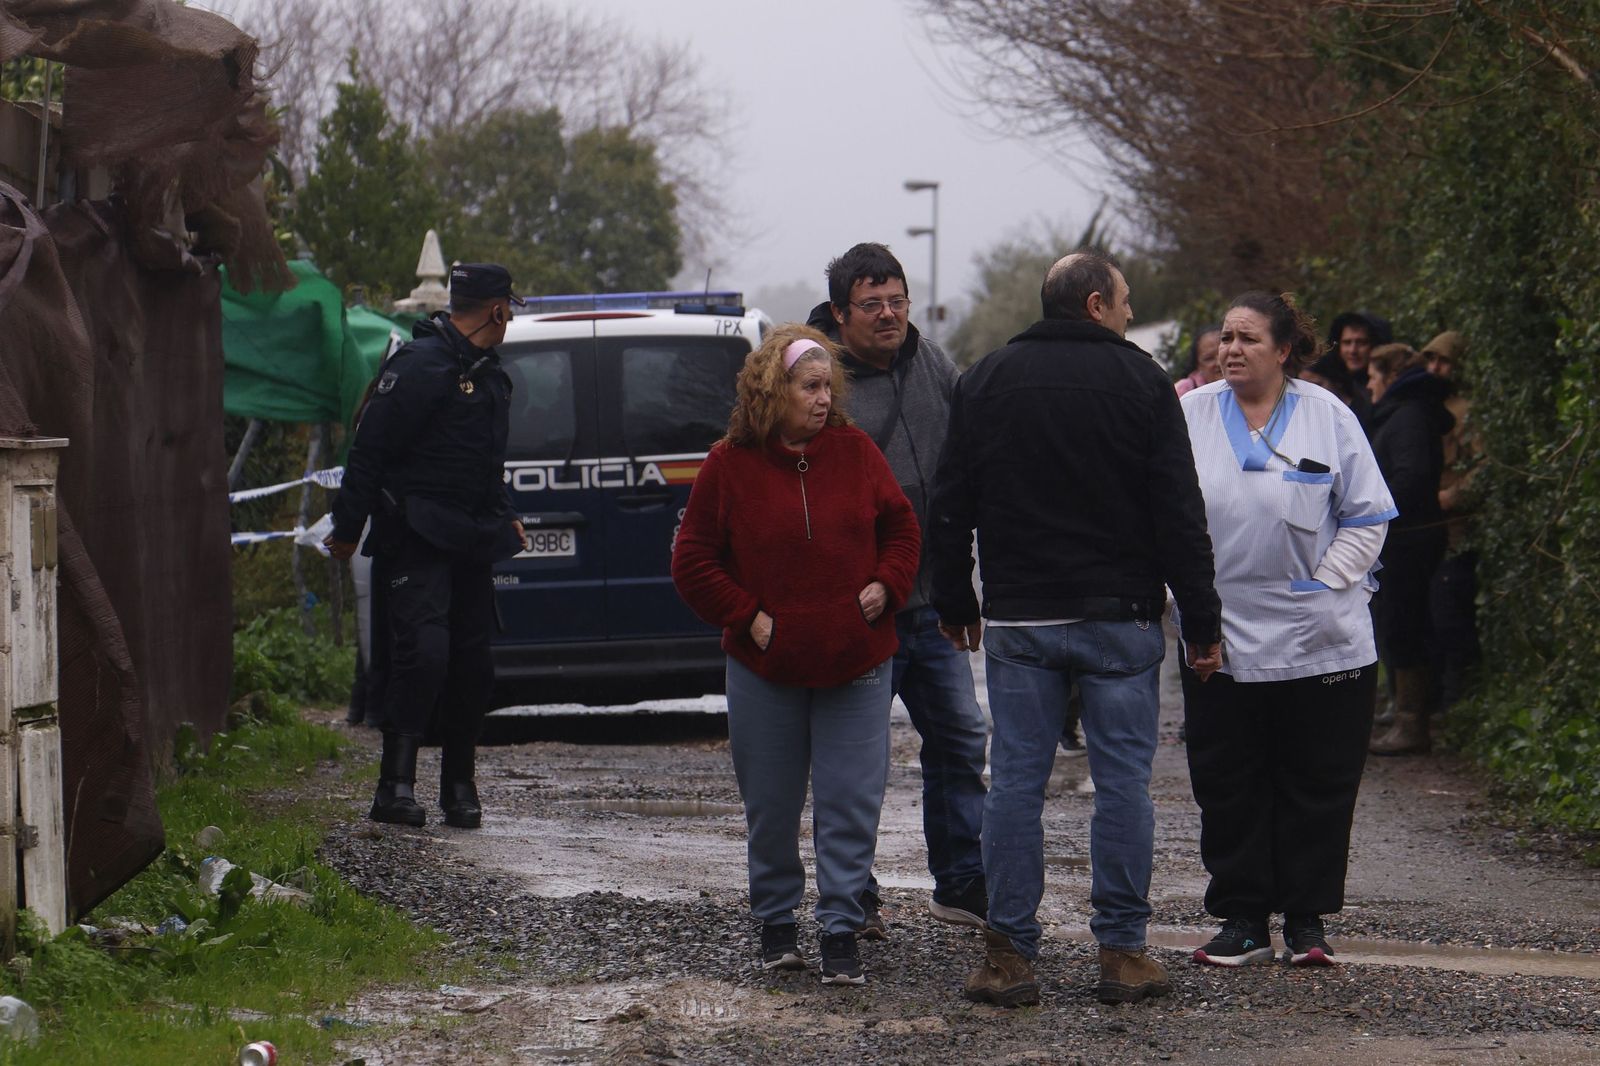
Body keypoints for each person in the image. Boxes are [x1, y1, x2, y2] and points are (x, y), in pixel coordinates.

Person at [929, 251, 1223, 1008]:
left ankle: (1009, 957)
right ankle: (1122, 954)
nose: (1129, 313)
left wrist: (957, 600)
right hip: (1120, 618)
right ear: (1095, 304)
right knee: (1123, 785)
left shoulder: (985, 379)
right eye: (1123, 302)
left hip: (1022, 615)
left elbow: (951, 499)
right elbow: (1177, 511)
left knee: (1015, 786)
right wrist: (1201, 619)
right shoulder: (1143, 383)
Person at [671, 324, 921, 986]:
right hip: (766, 669)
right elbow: (692, 559)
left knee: (850, 802)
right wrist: (745, 616)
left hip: (857, 663)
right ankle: (777, 922)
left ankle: (841, 929)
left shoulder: (857, 450)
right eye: (808, 386)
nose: (822, 398)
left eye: (826, 387)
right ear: (771, 391)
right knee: (772, 805)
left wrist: (887, 585)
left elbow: (900, 527)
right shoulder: (728, 464)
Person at [1179, 291, 1395, 968]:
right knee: (1230, 777)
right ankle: (1241, 917)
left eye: (1246, 338)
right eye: (1224, 337)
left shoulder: (1328, 416)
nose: (1230, 349)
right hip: (1221, 634)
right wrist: (1183, 603)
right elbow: (1163, 514)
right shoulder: (1188, 415)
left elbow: (1369, 514)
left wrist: (1327, 582)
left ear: (1283, 350)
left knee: (1317, 779)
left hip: (1321, 632)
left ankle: (1306, 920)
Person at [804, 243, 989, 937]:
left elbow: (966, 454)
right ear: (841, 310)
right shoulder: (817, 375)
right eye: (872, 304)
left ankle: (962, 881)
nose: (888, 315)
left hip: (933, 601)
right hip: (861, 608)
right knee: (855, 761)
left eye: (897, 300)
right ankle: (854, 895)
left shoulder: (930, 359)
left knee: (962, 741)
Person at [326, 263, 527, 830]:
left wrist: (505, 515)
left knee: (472, 665)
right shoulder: (418, 367)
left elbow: (487, 468)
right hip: (415, 535)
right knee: (424, 655)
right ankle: (394, 787)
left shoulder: (489, 376)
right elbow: (369, 452)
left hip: (470, 538)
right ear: (496, 310)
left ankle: (459, 788)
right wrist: (347, 528)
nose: (510, 318)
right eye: (509, 308)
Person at [1366, 342, 1455, 755]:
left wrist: (1371, 511)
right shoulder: (1406, 414)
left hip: (1408, 538)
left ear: (1388, 376)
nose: (1368, 386)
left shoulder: (1407, 418)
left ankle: (1412, 723)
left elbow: (1411, 477)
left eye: (1372, 376)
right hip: (1407, 536)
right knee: (1399, 621)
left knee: (1404, 622)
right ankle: (1403, 713)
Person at [1422, 331, 1481, 709]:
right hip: (1425, 525)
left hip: (1456, 525)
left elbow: (1483, 466)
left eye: (1443, 362)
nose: (1435, 369)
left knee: (1451, 610)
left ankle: (1459, 695)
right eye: (1431, 361)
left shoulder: (1467, 411)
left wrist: (1452, 496)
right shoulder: (1428, 404)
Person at [1174, 325, 1223, 395]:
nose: (1219, 363)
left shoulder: (1242, 386)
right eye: (1209, 359)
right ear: (1198, 365)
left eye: (1223, 354)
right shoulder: (1183, 391)